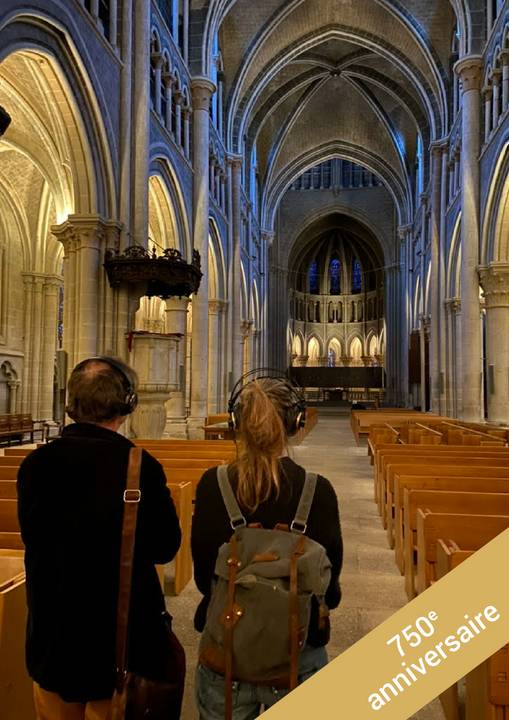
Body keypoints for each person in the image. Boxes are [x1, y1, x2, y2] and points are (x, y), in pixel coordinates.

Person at [17, 356, 181, 720]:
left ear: (71, 404)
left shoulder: (34, 466)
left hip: (51, 641)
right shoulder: (139, 467)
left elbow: (34, 538)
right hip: (116, 650)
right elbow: (165, 547)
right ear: (127, 405)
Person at [191, 376, 343, 719]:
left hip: (225, 649)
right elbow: (328, 591)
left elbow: (205, 580)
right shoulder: (318, 491)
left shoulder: (213, 486)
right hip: (299, 653)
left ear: (235, 424)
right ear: (296, 424)